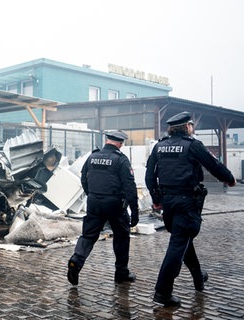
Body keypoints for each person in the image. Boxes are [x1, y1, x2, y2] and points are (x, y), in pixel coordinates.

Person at [145, 111, 236, 307]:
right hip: (187, 202)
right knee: (178, 245)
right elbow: (213, 165)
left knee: (182, 239)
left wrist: (157, 200)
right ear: (187, 127)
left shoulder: (159, 146)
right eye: (191, 126)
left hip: (168, 203)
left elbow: (149, 177)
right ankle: (162, 292)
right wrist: (229, 179)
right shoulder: (192, 145)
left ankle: (198, 277)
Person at [67, 130, 139, 286]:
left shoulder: (92, 157)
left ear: (107, 140)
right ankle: (121, 273)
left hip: (94, 202)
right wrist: (135, 212)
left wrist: (92, 195)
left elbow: (84, 179)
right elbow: (130, 188)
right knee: (121, 237)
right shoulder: (121, 160)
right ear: (120, 143)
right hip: (115, 205)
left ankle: (76, 261)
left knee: (88, 235)